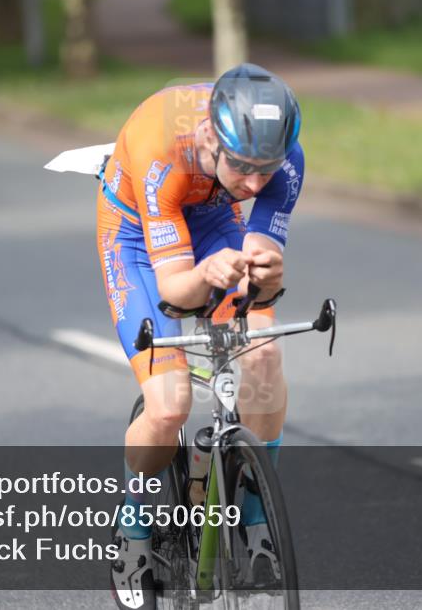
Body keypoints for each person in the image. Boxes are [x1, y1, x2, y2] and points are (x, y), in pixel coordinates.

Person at [99, 63, 304, 609]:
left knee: (263, 358)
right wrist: (208, 278)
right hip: (138, 234)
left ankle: (256, 522)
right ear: (212, 138)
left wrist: (265, 275)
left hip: (212, 216)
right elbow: (177, 291)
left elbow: (261, 270)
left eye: (267, 169)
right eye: (242, 166)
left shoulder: (285, 161)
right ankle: (134, 522)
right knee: (169, 407)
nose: (256, 183)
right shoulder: (160, 148)